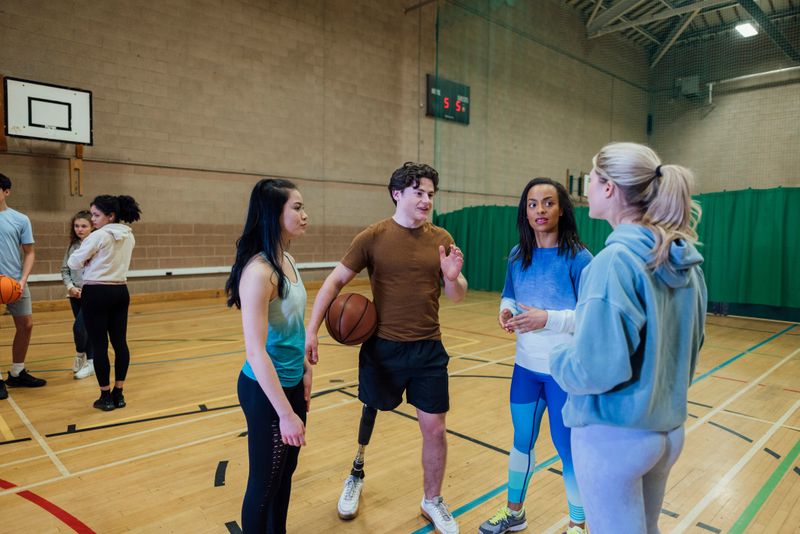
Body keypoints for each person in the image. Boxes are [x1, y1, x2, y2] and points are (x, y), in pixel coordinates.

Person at [550, 142, 707, 533]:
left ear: (608, 188)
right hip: (666, 431)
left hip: (615, 436)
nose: (586, 183)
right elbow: (692, 346)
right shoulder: (682, 260)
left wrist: (558, 356)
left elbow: (594, 368)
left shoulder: (613, 263)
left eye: (593, 175)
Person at [305, 162, 468, 534]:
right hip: (384, 349)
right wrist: (311, 330)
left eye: (430, 194)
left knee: (436, 429)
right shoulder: (372, 237)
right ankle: (356, 473)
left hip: (428, 349)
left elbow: (457, 295)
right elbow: (334, 283)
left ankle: (433, 499)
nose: (427, 200)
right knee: (371, 411)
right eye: (419, 193)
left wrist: (452, 278)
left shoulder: (441, 238)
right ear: (398, 194)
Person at [479, 178, 591, 534]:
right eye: (532, 204)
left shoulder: (580, 259)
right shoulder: (517, 255)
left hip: (563, 373)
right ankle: (515, 513)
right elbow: (509, 294)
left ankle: (577, 523)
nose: (539, 210)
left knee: (566, 449)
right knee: (521, 441)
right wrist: (506, 310)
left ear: (562, 210)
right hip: (525, 370)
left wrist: (549, 319)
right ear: (524, 211)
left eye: (547, 203)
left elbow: (593, 317)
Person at [226, 178, 312, 534]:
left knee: (284, 476)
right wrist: (287, 414)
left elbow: (292, 325)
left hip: (292, 382)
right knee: (263, 484)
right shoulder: (259, 273)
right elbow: (256, 351)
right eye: (297, 208)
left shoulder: (288, 259)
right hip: (265, 392)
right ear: (273, 214)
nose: (305, 215)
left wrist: (305, 366)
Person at [68, 195, 141, 411]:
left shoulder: (98, 236)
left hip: (97, 292)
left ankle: (105, 396)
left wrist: (88, 259)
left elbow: (73, 262)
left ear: (110, 216)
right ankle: (119, 393)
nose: (93, 219)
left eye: (96, 215)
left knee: (100, 346)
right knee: (120, 343)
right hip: (120, 291)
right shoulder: (129, 236)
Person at [0, 173, 46, 400]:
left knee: (26, 325)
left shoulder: (20, 219)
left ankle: (17, 372)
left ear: (6, 192)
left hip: (14, 282)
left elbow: (29, 252)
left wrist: (22, 280)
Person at [61, 210, 95, 379]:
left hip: (91, 294)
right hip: (74, 295)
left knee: (80, 328)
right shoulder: (72, 246)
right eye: (76, 226)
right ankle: (90, 362)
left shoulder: (97, 245)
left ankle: (80, 354)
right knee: (85, 330)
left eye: (83, 226)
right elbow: (65, 269)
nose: (79, 229)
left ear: (92, 227)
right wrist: (70, 287)